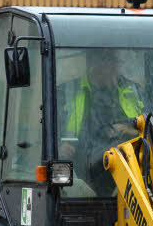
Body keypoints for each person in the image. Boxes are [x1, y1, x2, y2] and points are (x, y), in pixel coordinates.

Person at [59, 48, 146, 193]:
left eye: (118, 62)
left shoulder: (133, 91)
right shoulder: (68, 92)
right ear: (95, 64)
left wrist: (130, 130)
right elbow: (51, 128)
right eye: (112, 62)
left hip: (126, 168)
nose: (118, 68)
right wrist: (61, 146)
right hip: (80, 171)